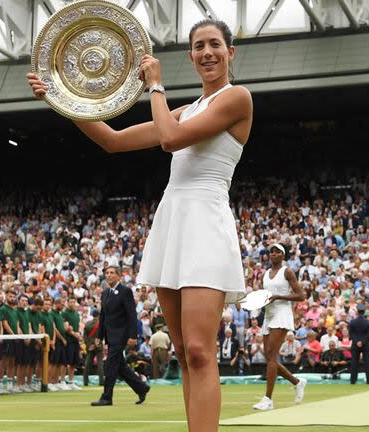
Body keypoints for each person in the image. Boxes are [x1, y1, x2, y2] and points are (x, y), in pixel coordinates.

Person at [28, 17, 253, 432]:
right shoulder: (188, 109)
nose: (207, 52)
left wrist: (155, 85)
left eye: (215, 45)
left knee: (202, 350)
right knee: (184, 350)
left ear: (230, 52)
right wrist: (58, 99)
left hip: (206, 222)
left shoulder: (237, 98)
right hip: (173, 221)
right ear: (191, 55)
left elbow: (169, 139)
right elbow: (113, 141)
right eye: (199, 46)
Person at [253, 243, 307, 411]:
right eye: (271, 252)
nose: (274, 254)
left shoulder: (287, 271)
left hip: (282, 314)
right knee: (271, 358)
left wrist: (278, 296)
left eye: (277, 252)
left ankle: (268, 399)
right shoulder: (265, 274)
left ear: (283, 256)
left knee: (270, 357)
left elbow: (300, 295)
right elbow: (266, 295)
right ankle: (297, 382)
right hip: (269, 315)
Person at [91, 266, 150, 406]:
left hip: (121, 335)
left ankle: (107, 397)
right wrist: (99, 336)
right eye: (107, 273)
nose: (109, 275)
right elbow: (103, 316)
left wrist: (133, 335)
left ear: (119, 276)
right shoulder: (105, 293)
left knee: (110, 365)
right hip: (110, 335)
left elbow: (131, 315)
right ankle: (141, 388)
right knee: (119, 366)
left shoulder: (125, 291)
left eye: (112, 273)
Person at [349, 304, 369, 384]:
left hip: (355, 344)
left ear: (357, 311)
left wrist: (357, 341)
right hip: (365, 344)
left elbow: (351, 334)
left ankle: (353, 380)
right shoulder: (367, 322)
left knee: (354, 362)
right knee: (367, 362)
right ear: (364, 312)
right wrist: (362, 342)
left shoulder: (352, 322)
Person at [83, 309, 104, 387]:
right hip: (99, 345)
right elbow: (103, 334)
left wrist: (89, 345)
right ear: (99, 315)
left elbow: (85, 336)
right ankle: (101, 381)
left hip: (90, 346)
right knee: (100, 364)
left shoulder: (88, 324)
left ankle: (85, 382)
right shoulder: (101, 324)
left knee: (87, 364)